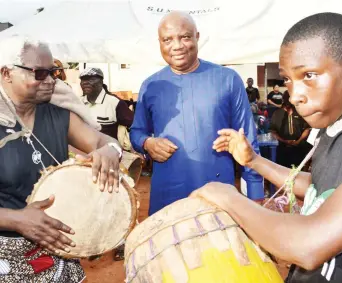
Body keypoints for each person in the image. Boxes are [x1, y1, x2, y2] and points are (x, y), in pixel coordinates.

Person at [192, 12, 342, 283]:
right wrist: (253, 161)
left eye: (309, 75)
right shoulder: (334, 123)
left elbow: (309, 245)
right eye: (288, 79)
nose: (294, 94)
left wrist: (228, 198)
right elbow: (322, 186)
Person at [0, 39, 124, 282]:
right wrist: (15, 219)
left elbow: (104, 143)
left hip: (59, 249)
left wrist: (111, 150)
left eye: (53, 72)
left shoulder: (58, 114)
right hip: (6, 257)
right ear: (6, 73)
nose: (50, 80)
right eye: (40, 73)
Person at [130, 11, 263, 215]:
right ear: (159, 42)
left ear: (197, 37)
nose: (177, 46)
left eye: (184, 37)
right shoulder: (150, 86)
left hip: (218, 196)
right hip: (167, 199)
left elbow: (249, 143)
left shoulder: (227, 79)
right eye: (168, 39)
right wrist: (148, 143)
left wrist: (256, 196)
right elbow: (137, 131)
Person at [80, 67, 134, 140]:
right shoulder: (78, 102)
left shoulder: (115, 102)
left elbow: (134, 124)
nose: (85, 82)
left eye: (91, 79)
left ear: (101, 82)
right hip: (82, 149)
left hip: (108, 149)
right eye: (82, 79)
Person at [270, 90, 312, 168]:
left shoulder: (300, 112)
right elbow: (273, 132)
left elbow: (307, 129)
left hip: (299, 147)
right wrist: (284, 141)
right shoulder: (277, 114)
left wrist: (298, 141)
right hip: (282, 147)